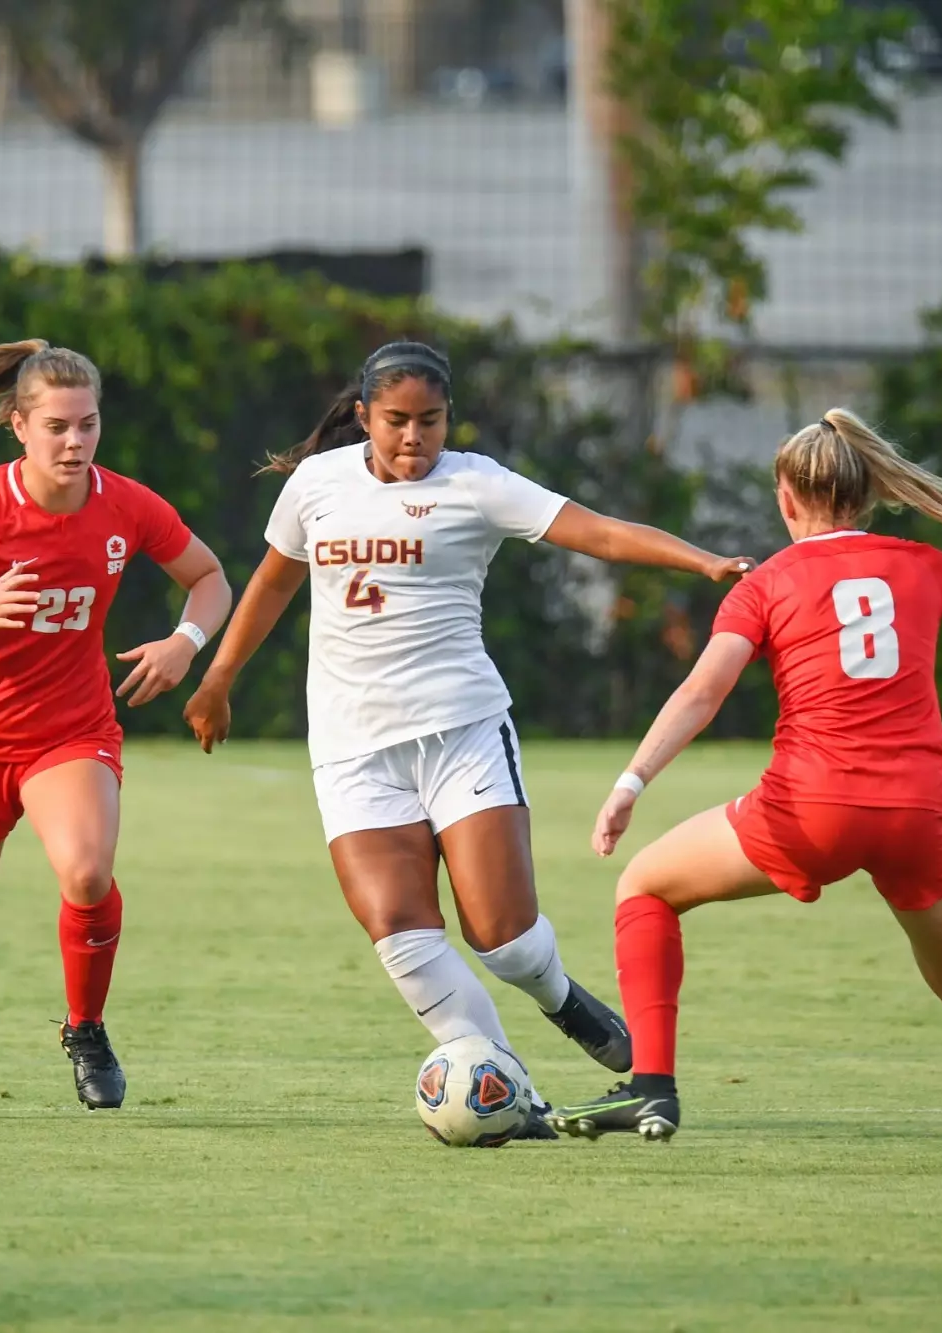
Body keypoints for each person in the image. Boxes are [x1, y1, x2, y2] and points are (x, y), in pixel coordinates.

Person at [551, 409, 942, 1175]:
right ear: (867, 494)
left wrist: (631, 781)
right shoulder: (924, 564)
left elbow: (703, 692)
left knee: (645, 886)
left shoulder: (768, 582)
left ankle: (652, 1087)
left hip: (812, 810)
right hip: (917, 813)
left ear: (785, 498)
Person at [181, 342, 750, 1135]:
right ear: (363, 416)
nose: (414, 437)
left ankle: (559, 995)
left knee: (502, 940)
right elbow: (275, 580)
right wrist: (219, 677)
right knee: (402, 933)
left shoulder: (477, 483)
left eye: (431, 420)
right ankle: (517, 1096)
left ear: (450, 418)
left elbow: (598, 534)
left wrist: (703, 562)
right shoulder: (316, 484)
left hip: (463, 733)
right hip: (352, 749)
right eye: (396, 420)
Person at [0, 339, 231, 1120]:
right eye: (57, 427)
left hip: (68, 733)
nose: (75, 442)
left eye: (88, 424)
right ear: (18, 426)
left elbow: (208, 577)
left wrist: (186, 642)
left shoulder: (125, 504)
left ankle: (86, 1029)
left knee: (86, 872)